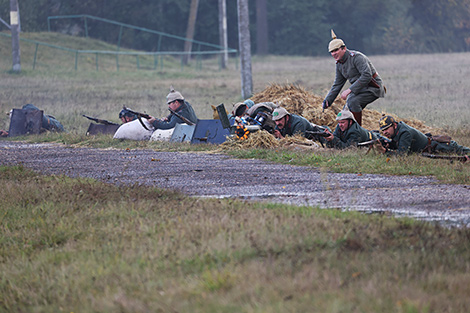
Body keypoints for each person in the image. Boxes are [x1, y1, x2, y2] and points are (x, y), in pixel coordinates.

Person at [322, 30, 385, 126]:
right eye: (332, 52)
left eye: (336, 50)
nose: (334, 54)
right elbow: (337, 84)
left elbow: (367, 75)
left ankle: (358, 131)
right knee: (344, 114)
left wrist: (349, 90)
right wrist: (328, 100)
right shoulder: (339, 64)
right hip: (359, 89)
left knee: (352, 101)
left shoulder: (357, 57)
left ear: (344, 48)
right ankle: (345, 134)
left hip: (373, 87)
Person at [376, 115, 470, 161]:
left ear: (394, 125)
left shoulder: (404, 132)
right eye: (383, 130)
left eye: (386, 129)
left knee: (462, 151)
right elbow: (399, 145)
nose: (385, 132)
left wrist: (385, 151)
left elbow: (402, 155)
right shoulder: (397, 131)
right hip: (431, 145)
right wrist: (389, 144)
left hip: (438, 147)